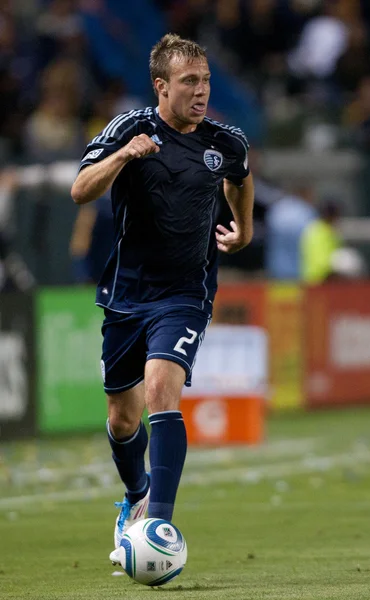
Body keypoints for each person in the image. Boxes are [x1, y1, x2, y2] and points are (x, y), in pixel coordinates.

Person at [70, 33, 254, 562]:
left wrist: (242, 228)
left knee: (160, 391)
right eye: (189, 82)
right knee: (122, 417)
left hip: (186, 292)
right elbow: (81, 189)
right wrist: (125, 155)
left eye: (206, 81)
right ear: (161, 86)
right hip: (127, 294)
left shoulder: (226, 142)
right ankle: (135, 497)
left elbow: (240, 179)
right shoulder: (131, 128)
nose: (201, 91)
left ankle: (159, 529)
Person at [300, 198, 341, 284]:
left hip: (324, 281)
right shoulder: (317, 231)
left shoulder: (330, 231)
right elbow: (320, 263)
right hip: (317, 282)